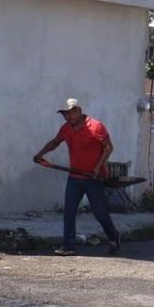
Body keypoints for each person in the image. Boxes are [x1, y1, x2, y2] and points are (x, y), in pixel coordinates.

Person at [33, 98, 121, 256]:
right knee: (69, 210)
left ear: (78, 111)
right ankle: (68, 246)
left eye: (69, 113)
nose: (67, 117)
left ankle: (114, 236)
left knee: (99, 211)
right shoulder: (66, 129)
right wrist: (40, 154)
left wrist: (96, 168)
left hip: (94, 178)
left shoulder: (96, 126)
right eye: (64, 114)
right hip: (75, 176)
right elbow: (55, 142)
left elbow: (108, 148)